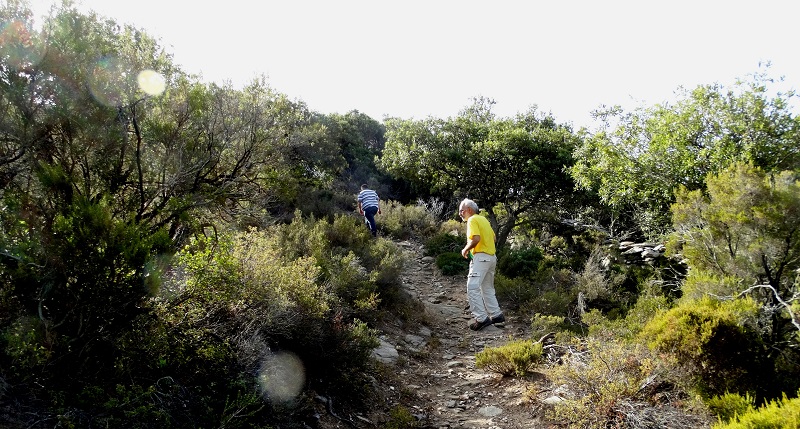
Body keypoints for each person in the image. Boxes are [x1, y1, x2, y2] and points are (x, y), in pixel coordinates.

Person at [459, 199, 504, 331]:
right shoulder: (484, 220)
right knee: (487, 287)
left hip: (481, 258)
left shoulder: (472, 220)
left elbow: (476, 238)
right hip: (491, 257)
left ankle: (481, 319)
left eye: (461, 210)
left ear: (469, 210)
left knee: (472, 287)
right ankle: (496, 315)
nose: (460, 213)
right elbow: (494, 238)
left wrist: (465, 249)